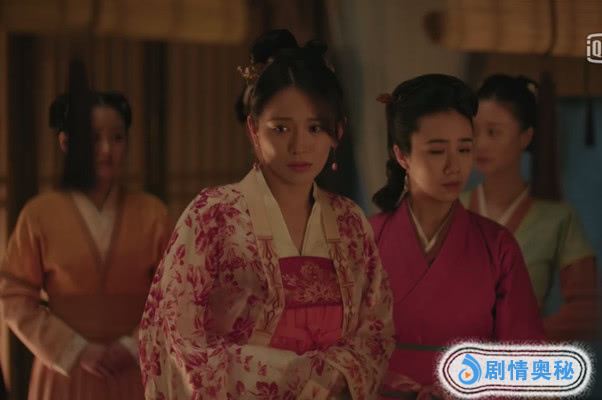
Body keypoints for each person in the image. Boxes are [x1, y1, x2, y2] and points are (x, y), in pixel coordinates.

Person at [139, 29, 394, 400]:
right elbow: (174, 333)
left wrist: (334, 378)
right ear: (253, 129)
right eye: (281, 128)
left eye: (315, 128)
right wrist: (294, 375)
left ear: (337, 132)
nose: (299, 145)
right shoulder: (213, 215)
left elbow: (376, 329)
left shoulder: (350, 221)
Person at [370, 74, 545, 398]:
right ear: (402, 155)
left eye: (464, 149)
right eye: (437, 151)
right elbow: (337, 343)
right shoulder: (365, 239)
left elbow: (525, 357)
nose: (455, 166)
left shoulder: (497, 246)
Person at [0, 86, 170, 399]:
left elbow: (177, 295)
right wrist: (75, 349)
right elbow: (13, 296)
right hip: (63, 368)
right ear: (66, 143)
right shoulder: (38, 214)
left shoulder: (153, 213)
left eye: (117, 138)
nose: (106, 149)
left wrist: (134, 344)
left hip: (134, 367)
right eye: (93, 139)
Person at [461, 74, 598, 341]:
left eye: (493, 132)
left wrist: (524, 335)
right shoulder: (451, 210)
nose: (481, 144)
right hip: (455, 359)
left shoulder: (558, 218)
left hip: (521, 358)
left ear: (525, 137)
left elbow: (587, 310)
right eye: (474, 132)